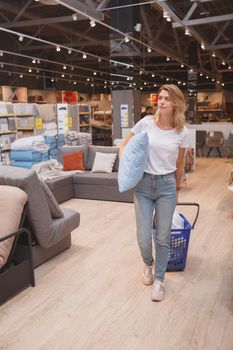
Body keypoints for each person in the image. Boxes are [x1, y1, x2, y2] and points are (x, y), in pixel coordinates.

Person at [119, 84, 190, 302]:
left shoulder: (182, 132)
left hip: (167, 186)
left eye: (166, 99)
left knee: (162, 236)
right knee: (143, 237)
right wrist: (127, 163)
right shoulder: (146, 123)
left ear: (175, 103)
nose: (161, 102)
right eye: (160, 98)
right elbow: (124, 146)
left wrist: (176, 191)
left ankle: (159, 279)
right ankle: (148, 264)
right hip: (144, 185)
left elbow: (179, 165)